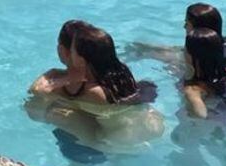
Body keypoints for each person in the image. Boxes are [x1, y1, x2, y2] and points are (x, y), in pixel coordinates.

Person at [27, 24, 164, 150]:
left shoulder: (93, 91)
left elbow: (37, 91)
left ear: (81, 59)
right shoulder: (119, 73)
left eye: (73, 50)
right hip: (152, 125)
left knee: (44, 108)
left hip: (121, 141)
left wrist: (59, 75)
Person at [125, 3, 226, 71]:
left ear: (199, 28)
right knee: (147, 49)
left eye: (187, 23)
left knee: (151, 54)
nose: (184, 26)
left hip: (197, 72)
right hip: (201, 63)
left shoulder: (202, 54)